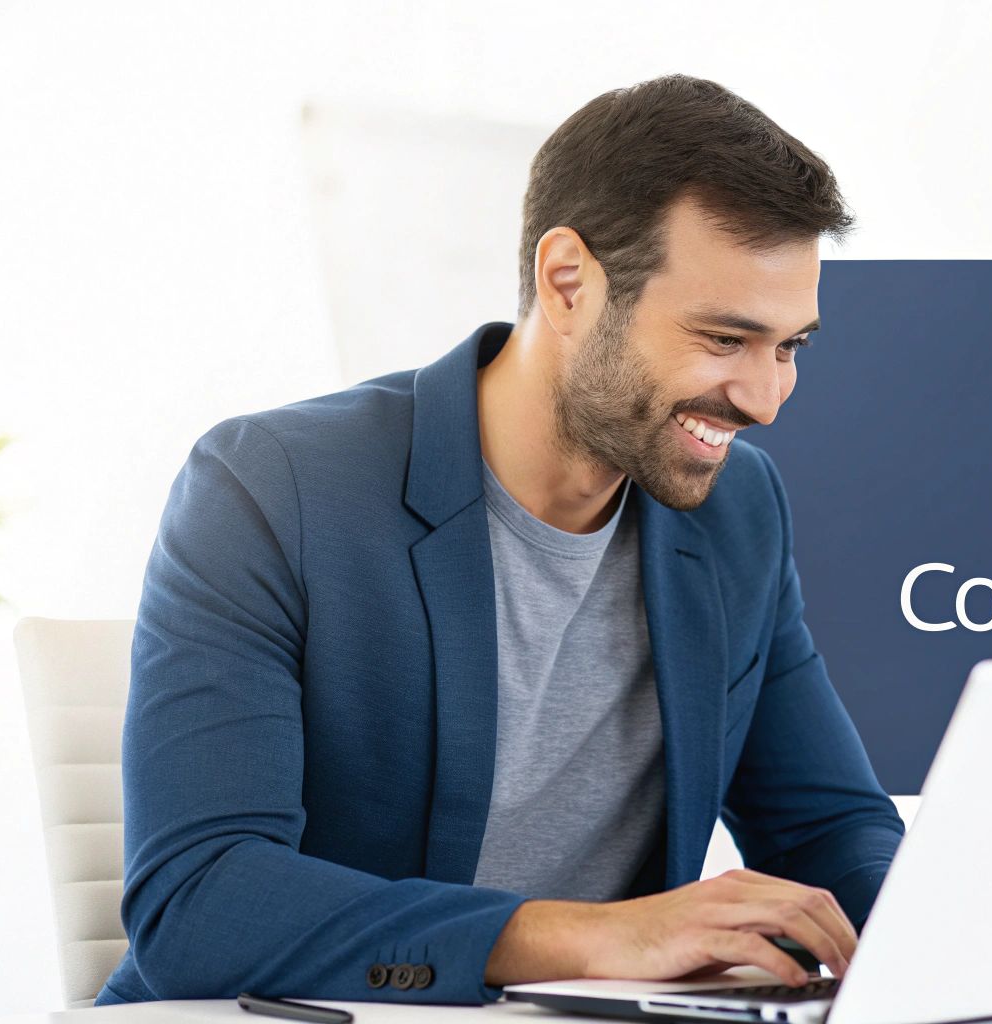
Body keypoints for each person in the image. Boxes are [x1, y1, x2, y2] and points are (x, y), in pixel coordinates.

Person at [98, 75, 904, 1006]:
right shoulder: (273, 487)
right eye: (725, 339)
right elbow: (199, 902)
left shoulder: (737, 512)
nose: (765, 400)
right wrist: (597, 938)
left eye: (790, 346)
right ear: (569, 283)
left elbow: (826, 828)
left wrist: (950, 932)